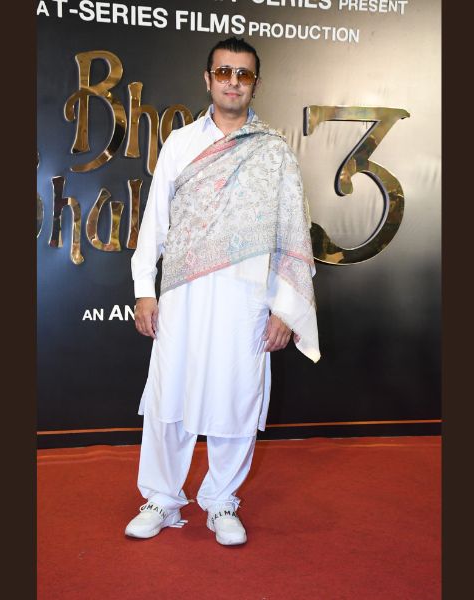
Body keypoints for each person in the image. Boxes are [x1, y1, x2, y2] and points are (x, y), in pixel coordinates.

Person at [125, 36, 320, 546]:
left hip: (245, 297)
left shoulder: (274, 152)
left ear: (256, 83)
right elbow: (154, 223)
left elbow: (292, 235)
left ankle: (221, 500)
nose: (233, 82)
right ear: (207, 79)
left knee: (237, 396)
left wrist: (284, 309)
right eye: (224, 72)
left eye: (244, 74)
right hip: (183, 293)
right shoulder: (180, 143)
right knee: (170, 393)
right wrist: (145, 289)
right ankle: (162, 498)